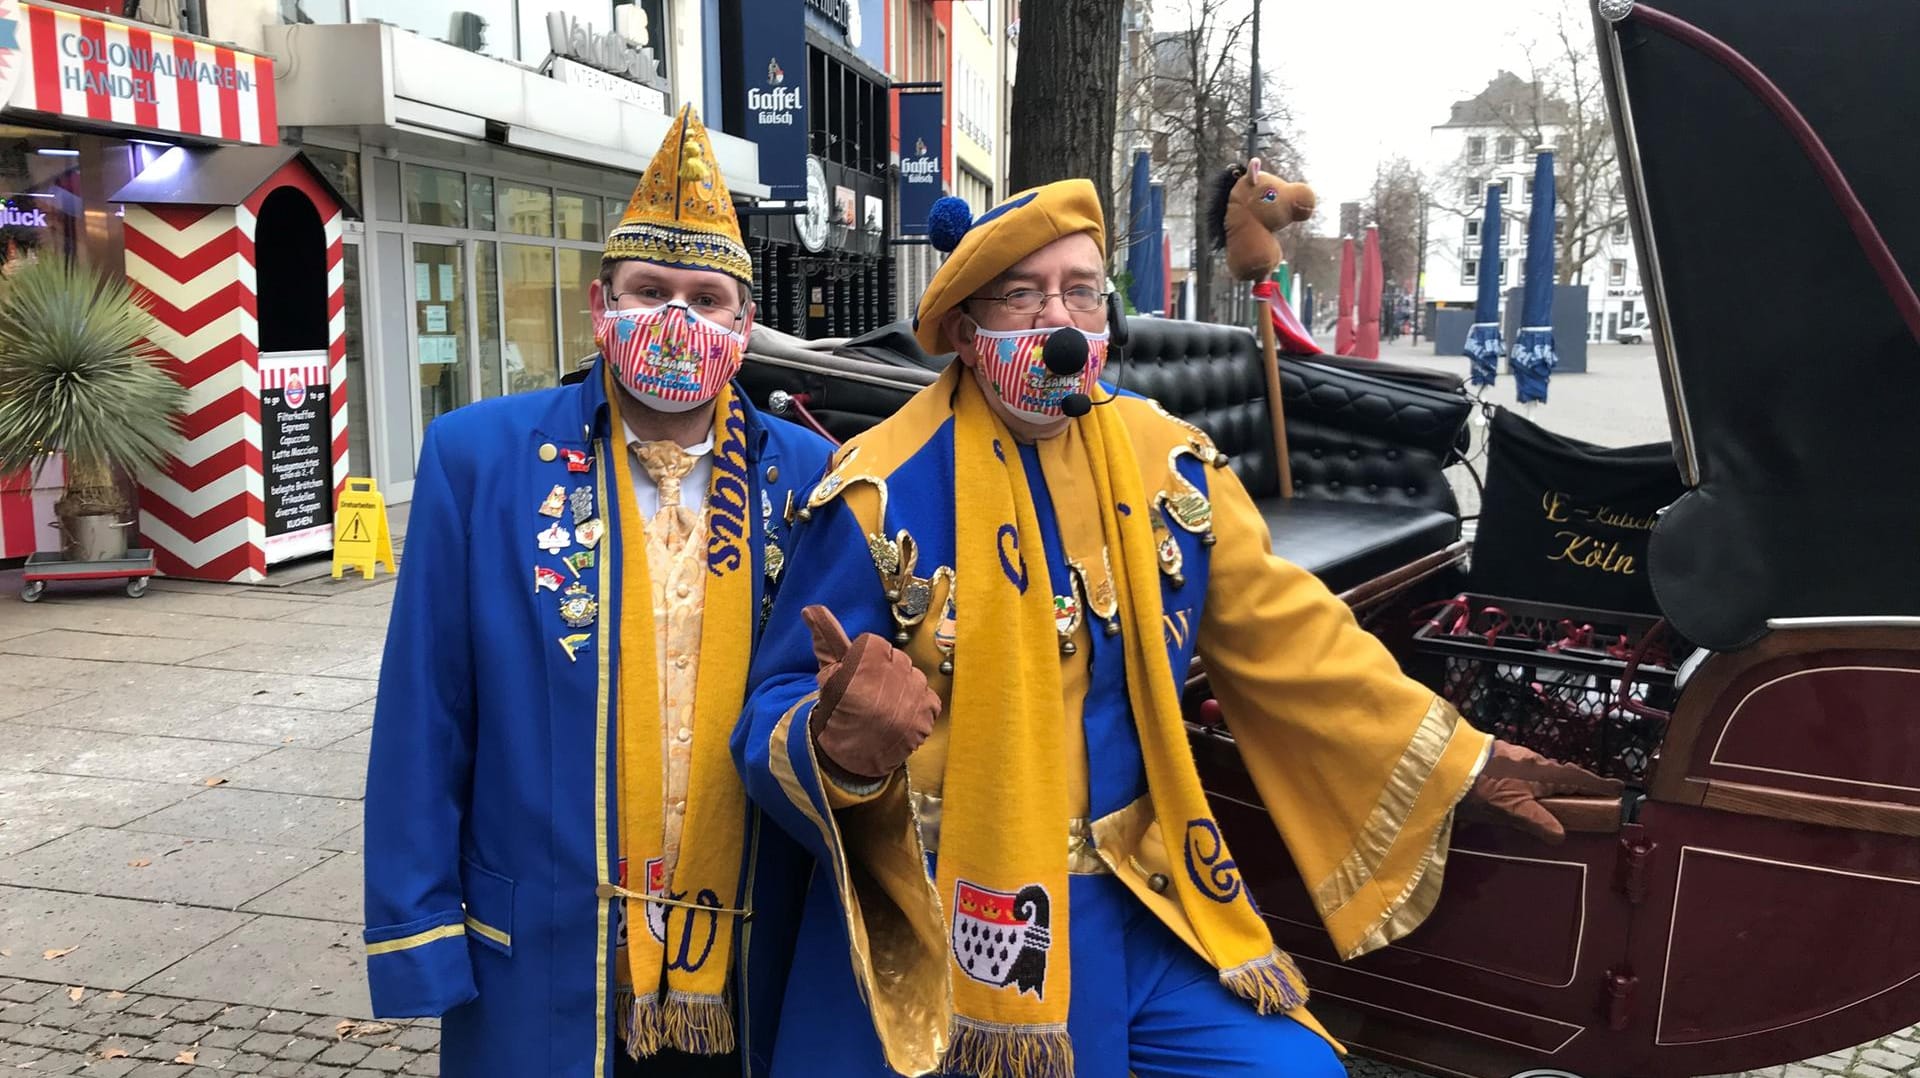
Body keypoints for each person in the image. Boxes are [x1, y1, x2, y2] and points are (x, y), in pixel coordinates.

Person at [733, 180, 1616, 1078]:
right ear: (966, 330)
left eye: (1080, 290)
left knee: (1297, 1072)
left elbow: (1292, 638)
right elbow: (772, 708)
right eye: (1023, 294)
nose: (1059, 318)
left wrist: (1462, 759)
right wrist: (838, 745)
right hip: (956, 912)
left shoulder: (1169, 464)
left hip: (1137, 895)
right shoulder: (876, 491)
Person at [363, 104, 832, 1078]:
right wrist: (415, 929)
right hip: (544, 955)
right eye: (648, 289)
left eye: (706, 298)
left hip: (752, 950)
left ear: (744, 326)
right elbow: (425, 715)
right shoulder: (480, 461)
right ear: (596, 306)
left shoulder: (813, 480)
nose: (675, 319)